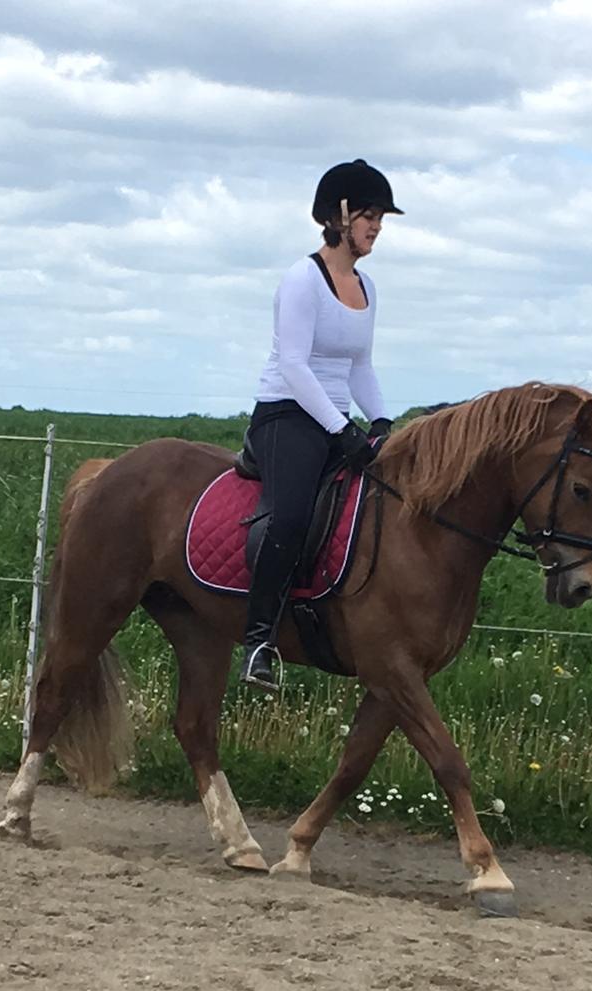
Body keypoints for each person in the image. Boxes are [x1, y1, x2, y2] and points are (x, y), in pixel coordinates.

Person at [239, 158, 403, 690]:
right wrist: (341, 429)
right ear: (339, 216)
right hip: (287, 414)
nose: (377, 226)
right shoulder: (302, 279)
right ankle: (258, 640)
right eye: (369, 216)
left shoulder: (368, 287)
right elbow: (294, 364)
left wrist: (379, 421)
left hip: (337, 418)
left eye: (380, 218)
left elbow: (360, 365)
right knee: (289, 516)